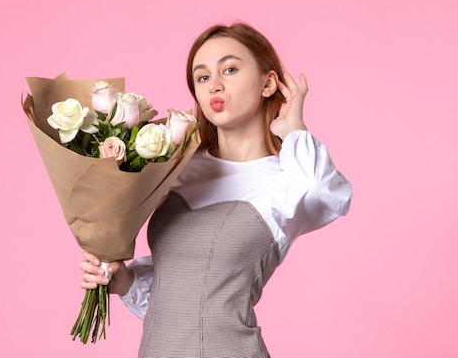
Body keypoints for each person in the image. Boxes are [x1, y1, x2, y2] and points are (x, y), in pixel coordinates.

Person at [79, 22, 353, 357]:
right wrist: (125, 282)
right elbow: (179, 301)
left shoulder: (286, 178)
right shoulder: (177, 167)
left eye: (230, 69)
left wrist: (292, 128)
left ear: (268, 83)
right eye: (203, 77)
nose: (215, 86)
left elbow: (325, 195)